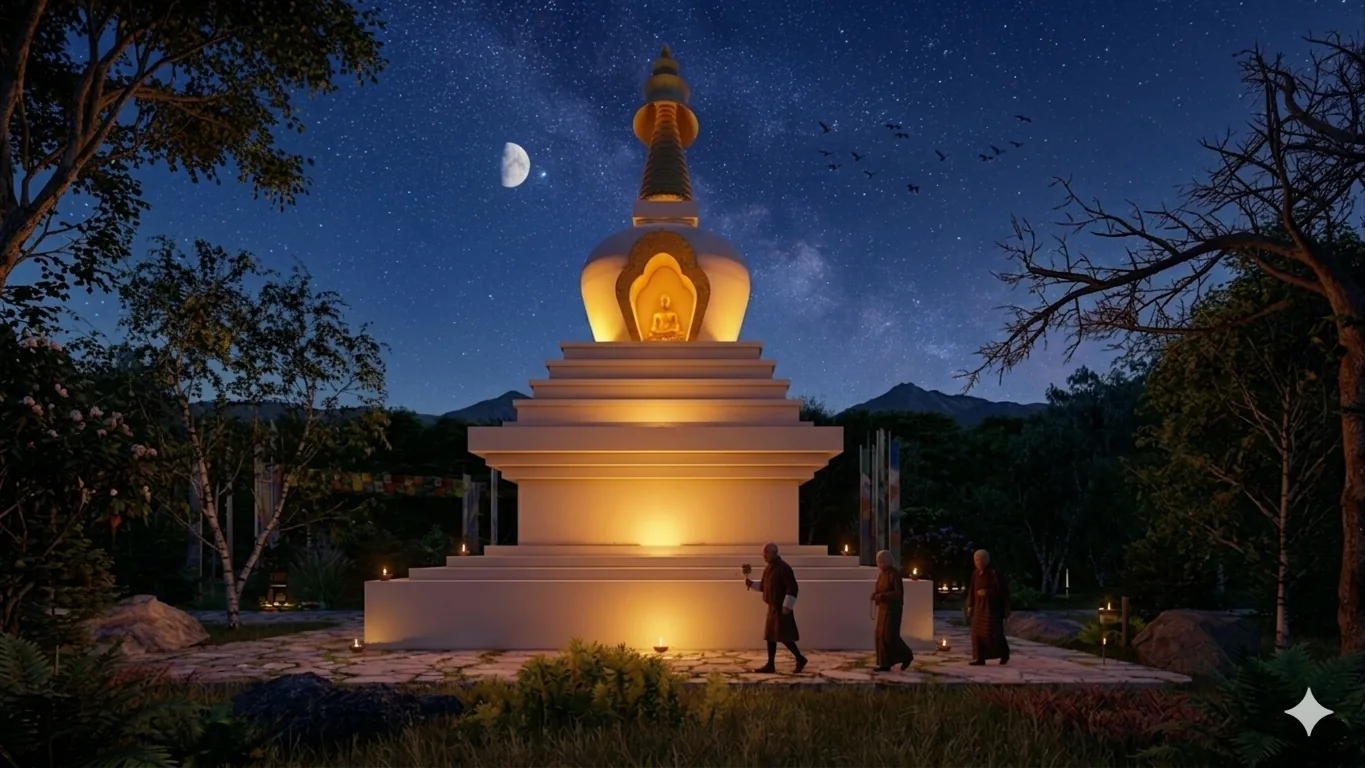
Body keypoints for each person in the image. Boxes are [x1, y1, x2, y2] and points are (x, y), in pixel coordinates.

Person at [745, 542, 808, 673]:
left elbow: (792, 588)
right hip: (772, 608)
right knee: (770, 636)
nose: (763, 556)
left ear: (773, 553)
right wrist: (750, 584)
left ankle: (800, 658)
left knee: (785, 637)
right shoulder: (769, 568)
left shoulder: (784, 568)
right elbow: (764, 586)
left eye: (765, 553)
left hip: (781, 608)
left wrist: (787, 605)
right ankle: (770, 664)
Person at [870, 549, 914, 672]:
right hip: (883, 610)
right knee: (879, 636)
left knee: (890, 636)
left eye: (882, 561)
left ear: (888, 561)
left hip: (892, 610)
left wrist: (882, 596)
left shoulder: (894, 574)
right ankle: (884, 663)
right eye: (878, 562)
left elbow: (898, 594)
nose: (880, 564)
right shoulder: (881, 574)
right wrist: (875, 595)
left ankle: (906, 655)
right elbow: (879, 589)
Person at [966, 548, 1011, 665]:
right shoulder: (975, 574)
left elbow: (1002, 591)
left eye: (981, 560)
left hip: (991, 609)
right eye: (976, 560)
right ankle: (979, 658)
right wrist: (970, 605)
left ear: (987, 560)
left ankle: (1004, 653)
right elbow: (971, 590)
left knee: (993, 633)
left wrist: (987, 592)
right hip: (978, 609)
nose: (978, 562)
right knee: (976, 633)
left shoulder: (993, 573)